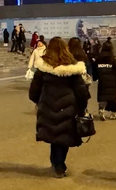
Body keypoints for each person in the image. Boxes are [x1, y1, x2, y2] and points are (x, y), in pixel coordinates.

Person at [28, 37, 90, 178]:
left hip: (48, 107)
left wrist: (41, 101)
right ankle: (60, 164)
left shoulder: (43, 69)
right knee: (63, 136)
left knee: (54, 135)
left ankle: (56, 162)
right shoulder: (73, 69)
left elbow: (33, 92)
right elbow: (82, 93)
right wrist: (82, 108)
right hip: (68, 108)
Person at [93, 42, 116, 121]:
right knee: (113, 97)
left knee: (102, 96)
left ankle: (101, 109)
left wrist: (95, 77)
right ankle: (113, 114)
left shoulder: (98, 58)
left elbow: (95, 70)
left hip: (102, 81)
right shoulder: (112, 59)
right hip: (113, 82)